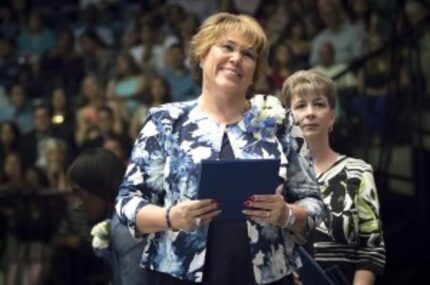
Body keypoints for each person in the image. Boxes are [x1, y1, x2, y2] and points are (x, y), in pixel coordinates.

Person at [115, 12, 324, 285]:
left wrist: (286, 214)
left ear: (254, 72)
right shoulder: (165, 121)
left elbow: (314, 203)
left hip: (268, 275)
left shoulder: (280, 123)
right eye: (227, 47)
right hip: (179, 274)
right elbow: (128, 202)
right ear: (202, 55)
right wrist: (170, 217)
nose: (236, 58)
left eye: (248, 54)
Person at [281, 70, 386, 284]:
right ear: (288, 118)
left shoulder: (358, 172)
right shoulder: (276, 176)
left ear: (332, 117)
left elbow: (371, 249)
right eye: (301, 105)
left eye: (319, 104)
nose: (310, 112)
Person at [67, 148, 146, 285]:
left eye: (79, 193)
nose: (77, 204)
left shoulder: (125, 227)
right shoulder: (122, 220)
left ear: (99, 187)